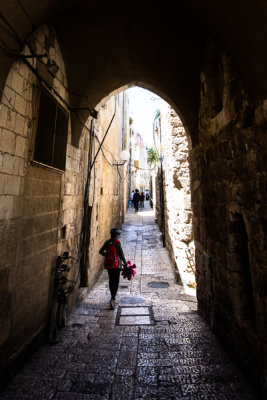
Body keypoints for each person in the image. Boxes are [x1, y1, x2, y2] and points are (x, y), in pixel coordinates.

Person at [99, 228, 127, 308]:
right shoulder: (117, 243)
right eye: (118, 234)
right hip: (117, 265)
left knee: (111, 280)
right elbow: (121, 254)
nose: (118, 235)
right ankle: (113, 298)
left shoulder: (107, 242)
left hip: (109, 265)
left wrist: (107, 255)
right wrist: (125, 264)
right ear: (115, 235)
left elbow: (100, 251)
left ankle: (112, 296)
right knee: (116, 280)